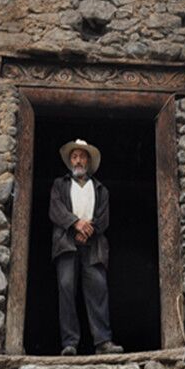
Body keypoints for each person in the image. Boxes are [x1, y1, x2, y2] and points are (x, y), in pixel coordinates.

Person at [49, 138, 124, 356]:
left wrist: (87, 230)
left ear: (88, 162)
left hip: (94, 245)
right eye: (74, 157)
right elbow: (56, 210)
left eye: (82, 157)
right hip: (66, 243)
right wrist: (76, 224)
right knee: (66, 287)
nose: (78, 160)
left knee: (98, 289)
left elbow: (103, 218)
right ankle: (70, 343)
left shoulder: (100, 189)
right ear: (70, 161)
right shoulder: (60, 185)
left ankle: (103, 342)